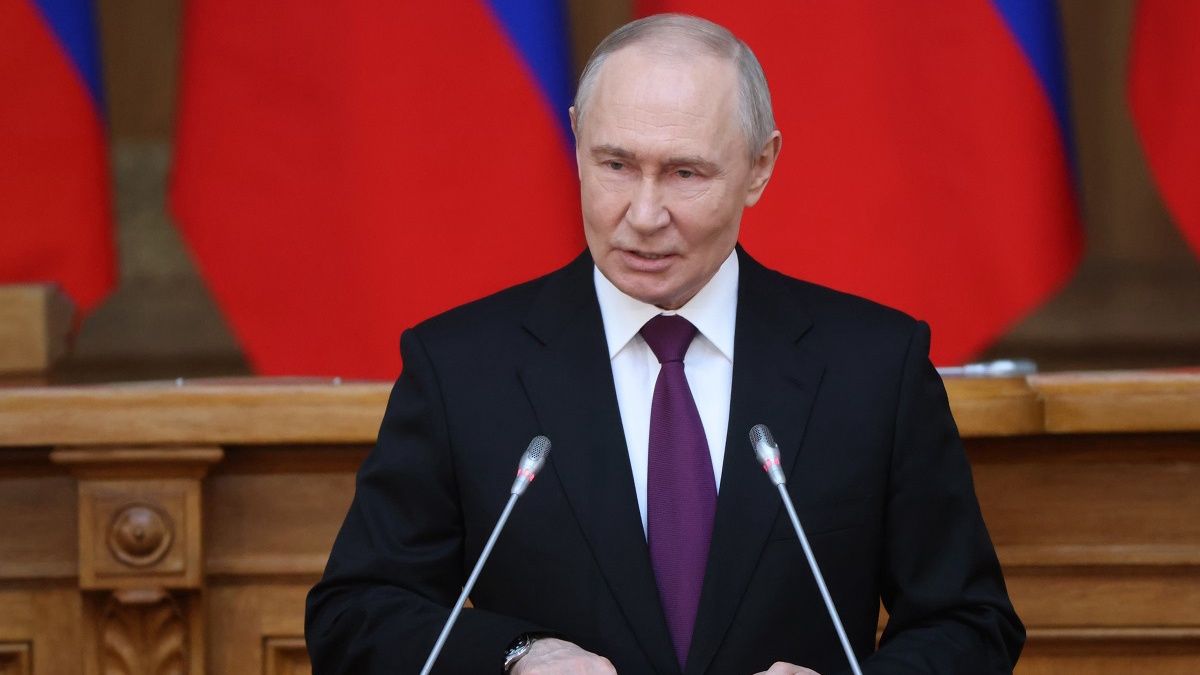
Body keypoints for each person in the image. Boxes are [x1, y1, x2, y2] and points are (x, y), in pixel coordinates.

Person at [306, 13, 1023, 674]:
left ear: (760, 166)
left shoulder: (875, 367)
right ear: (577, 137)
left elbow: (970, 620)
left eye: (684, 173)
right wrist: (514, 656)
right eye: (615, 164)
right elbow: (356, 613)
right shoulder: (463, 368)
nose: (643, 214)